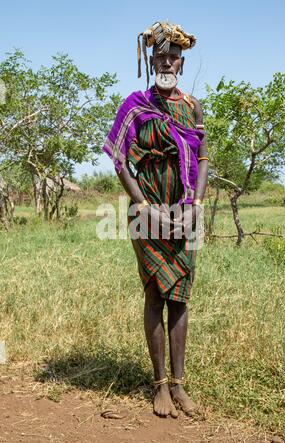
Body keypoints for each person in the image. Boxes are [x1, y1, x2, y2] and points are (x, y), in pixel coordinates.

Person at [103, 21, 209, 418]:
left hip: (184, 211)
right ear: (152, 61)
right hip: (146, 211)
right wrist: (141, 202)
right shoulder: (134, 105)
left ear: (181, 62)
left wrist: (197, 202)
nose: (167, 62)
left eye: (173, 57)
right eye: (160, 57)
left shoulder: (192, 106)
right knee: (154, 293)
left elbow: (202, 160)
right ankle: (159, 386)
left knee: (179, 298)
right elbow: (118, 157)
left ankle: (180, 386)